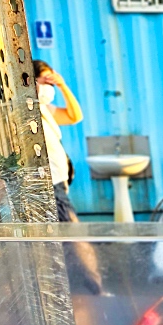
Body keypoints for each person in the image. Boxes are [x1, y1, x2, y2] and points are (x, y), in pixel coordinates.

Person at [33, 59, 102, 293]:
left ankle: (76, 290)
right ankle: (94, 289)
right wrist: (40, 87)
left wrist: (62, 86)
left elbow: (75, 116)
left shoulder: (45, 110)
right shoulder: (30, 108)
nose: (50, 87)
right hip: (50, 182)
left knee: (66, 237)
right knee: (74, 236)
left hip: (59, 181)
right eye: (46, 80)